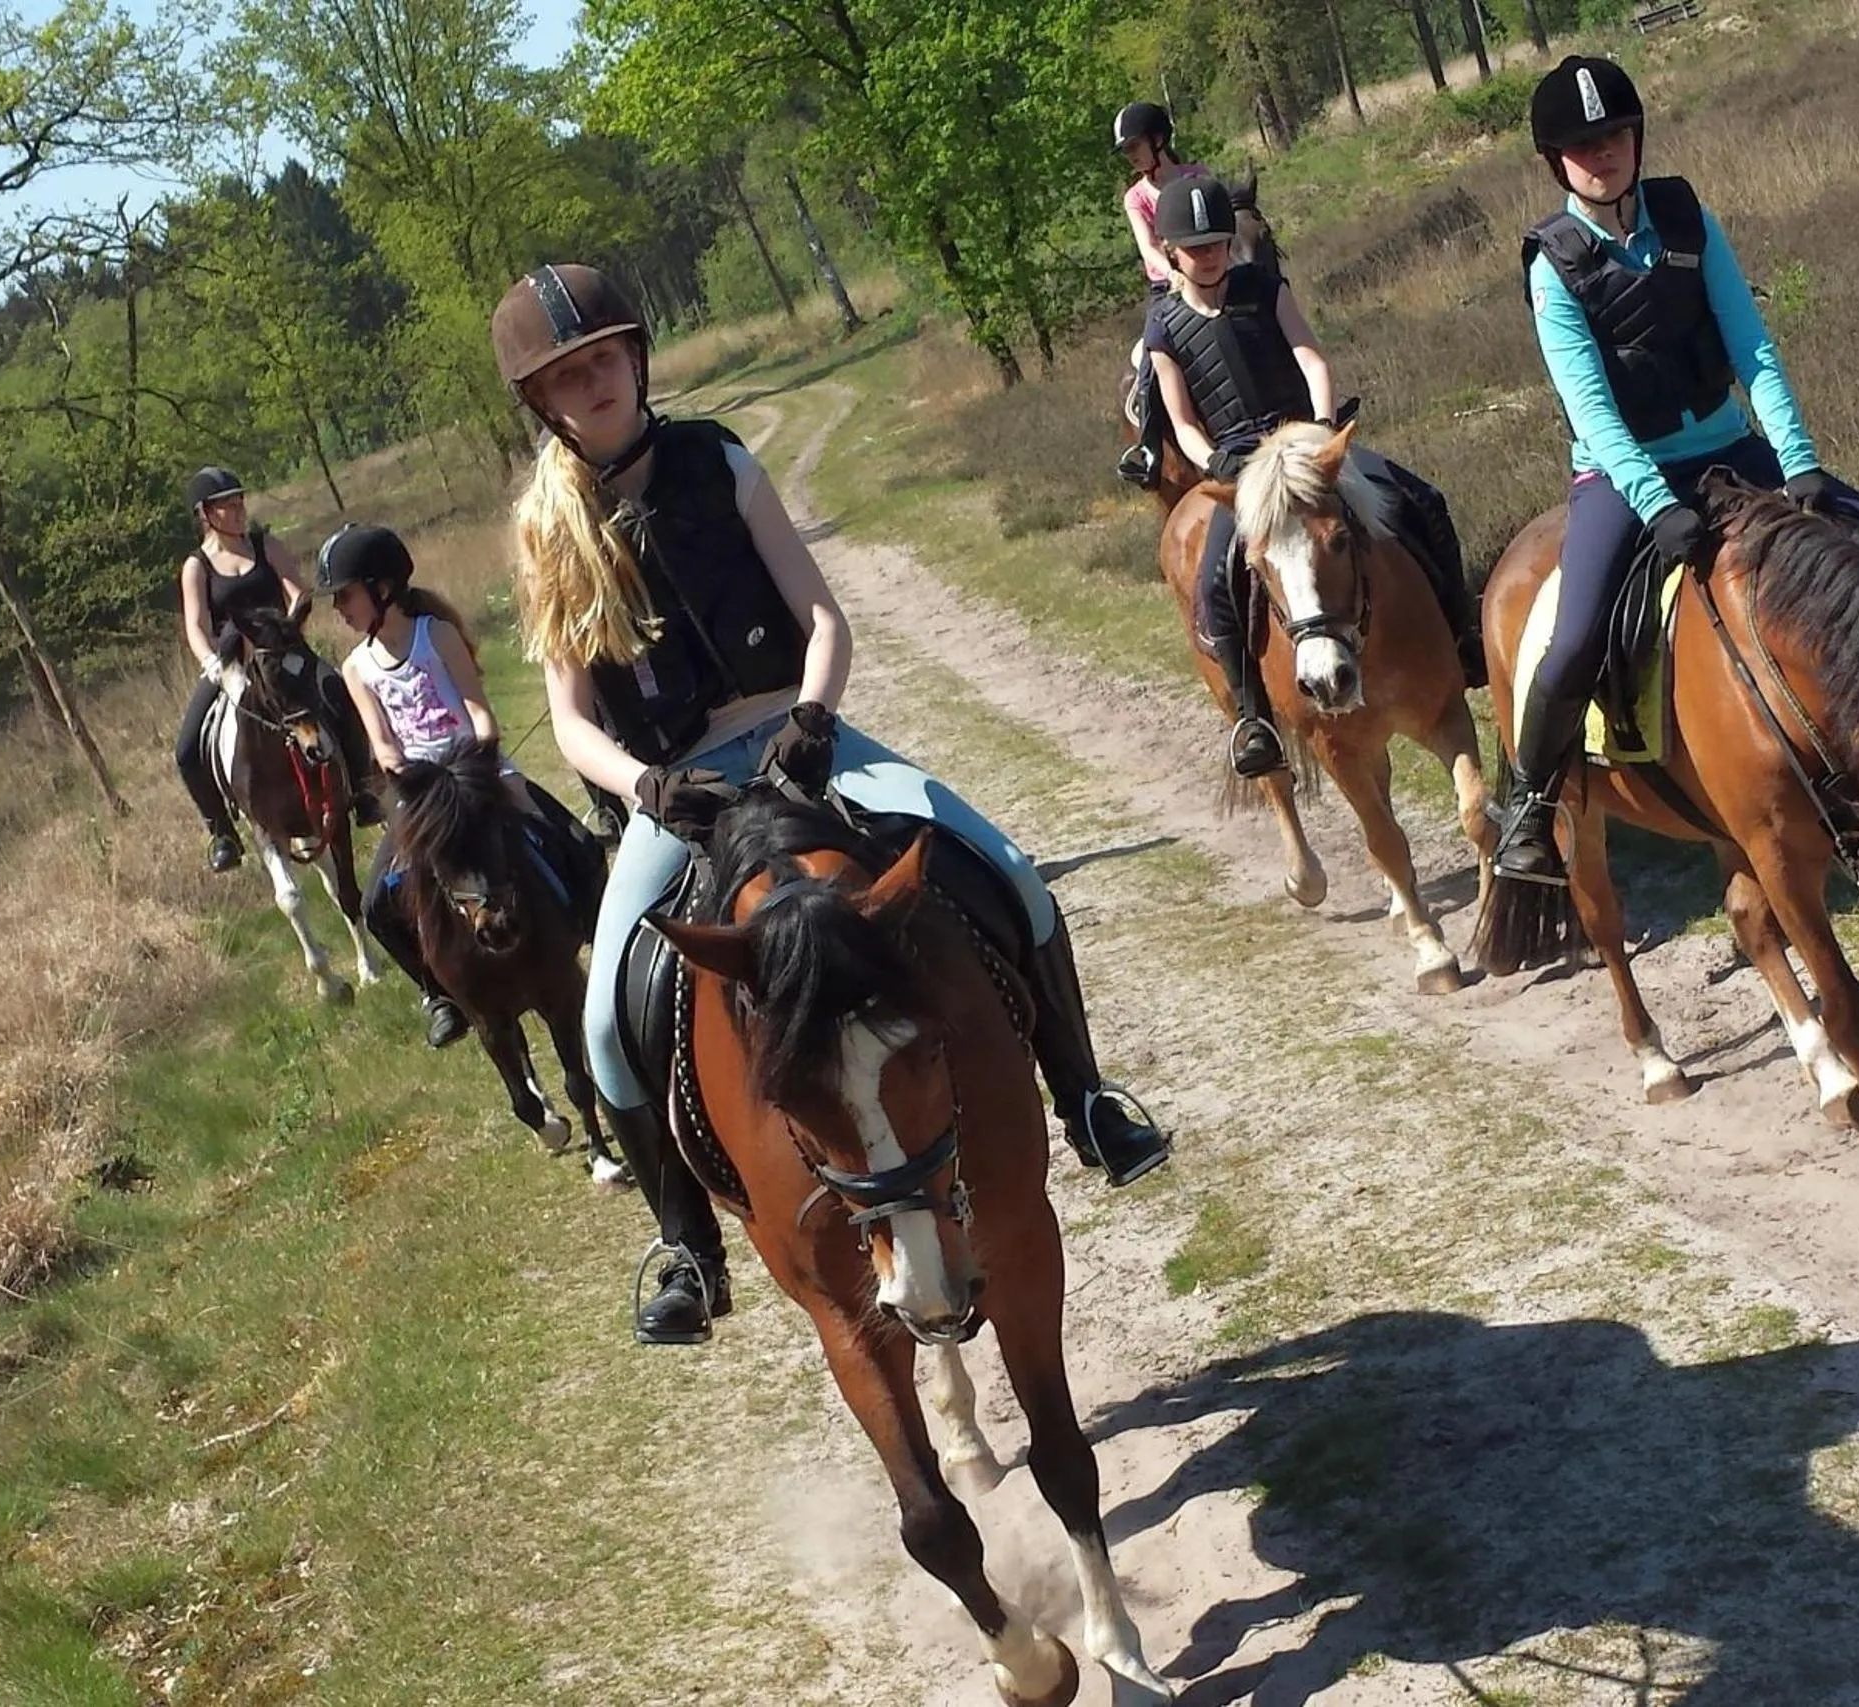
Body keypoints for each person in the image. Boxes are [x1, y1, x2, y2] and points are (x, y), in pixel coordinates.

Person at [490, 263, 1173, 1346]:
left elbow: (821, 616)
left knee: (1012, 878)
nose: (594, 383)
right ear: (543, 402)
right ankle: (685, 1249)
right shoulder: (544, 532)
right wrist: (645, 787)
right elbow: (570, 720)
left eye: (606, 359)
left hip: (800, 738)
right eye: (568, 376)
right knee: (604, 1029)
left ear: (637, 358)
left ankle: (1088, 1103)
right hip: (677, 793)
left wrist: (811, 720)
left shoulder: (716, 458)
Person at [1501, 55, 1859, 889]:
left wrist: (1797, 463)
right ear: (1556, 161)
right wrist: (1657, 504)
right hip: (1623, 481)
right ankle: (1528, 798)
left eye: (1615, 136)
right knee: (1576, 633)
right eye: (1583, 146)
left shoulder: (1687, 219)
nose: (1603, 155)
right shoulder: (1551, 267)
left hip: (1733, 452)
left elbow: (1751, 346)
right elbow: (1591, 413)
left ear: (1636, 138)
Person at [1142, 173, 1484, 777]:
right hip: (1244, 466)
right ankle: (1253, 715)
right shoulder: (1164, 327)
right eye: (1196, 248)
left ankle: (1462, 635)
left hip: (1307, 441)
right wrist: (1212, 460)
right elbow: (1182, 417)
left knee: (1421, 500)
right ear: (1171, 252)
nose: (1210, 256)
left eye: (1218, 243)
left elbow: (1310, 357)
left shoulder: (1265, 288)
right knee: (1217, 581)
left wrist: (1323, 424)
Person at [318, 523, 602, 1049]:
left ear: (382, 588)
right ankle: (438, 995)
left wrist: (481, 751)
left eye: (345, 594)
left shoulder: (436, 636)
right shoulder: (356, 668)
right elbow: (381, 743)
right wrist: (406, 777)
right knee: (379, 900)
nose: (339, 608)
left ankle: (595, 934)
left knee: (577, 843)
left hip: (477, 771)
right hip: (420, 795)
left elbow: (477, 710)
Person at [172, 467, 376, 872]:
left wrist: (291, 621)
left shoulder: (266, 544)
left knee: (339, 694)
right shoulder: (196, 567)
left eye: (239, 501)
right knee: (186, 749)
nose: (238, 510)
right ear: (205, 514)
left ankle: (363, 789)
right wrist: (211, 662)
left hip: (283, 652)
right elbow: (195, 626)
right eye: (227, 505)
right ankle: (222, 833)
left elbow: (297, 590)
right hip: (233, 665)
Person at [1114, 100, 1208, 489]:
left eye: (1134, 146)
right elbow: (1148, 247)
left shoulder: (1199, 177)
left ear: (1158, 139)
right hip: (1167, 288)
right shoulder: (1136, 198)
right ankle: (1150, 450)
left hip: (1211, 276)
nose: (1130, 156)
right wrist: (1172, 272)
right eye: (1126, 151)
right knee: (1150, 358)